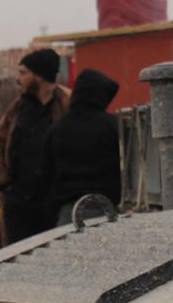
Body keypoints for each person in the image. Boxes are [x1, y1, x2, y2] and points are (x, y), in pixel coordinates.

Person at [0, 48, 69, 244]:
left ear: (39, 76)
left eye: (23, 73)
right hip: (18, 201)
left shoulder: (66, 104)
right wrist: (3, 183)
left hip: (53, 201)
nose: (18, 78)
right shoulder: (17, 108)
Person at [42, 68, 121, 226]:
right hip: (107, 212)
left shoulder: (56, 130)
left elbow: (46, 176)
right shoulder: (113, 126)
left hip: (67, 215)